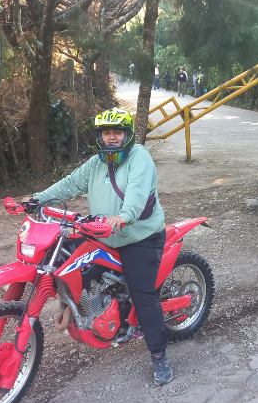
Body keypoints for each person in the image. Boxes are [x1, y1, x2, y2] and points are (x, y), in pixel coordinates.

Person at [32, 108, 174, 385]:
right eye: (107, 133)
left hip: (139, 237)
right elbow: (71, 184)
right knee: (66, 261)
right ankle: (92, 310)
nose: (112, 138)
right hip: (103, 234)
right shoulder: (96, 164)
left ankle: (159, 357)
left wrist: (124, 216)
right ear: (100, 136)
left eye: (117, 132)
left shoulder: (139, 157)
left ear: (127, 135)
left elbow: (136, 193)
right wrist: (38, 199)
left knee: (143, 295)